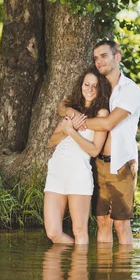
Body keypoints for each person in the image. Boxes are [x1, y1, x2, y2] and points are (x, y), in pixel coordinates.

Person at [60, 40, 140, 246]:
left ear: (117, 57)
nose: (99, 61)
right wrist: (72, 114)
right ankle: (102, 273)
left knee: (121, 224)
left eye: (103, 56)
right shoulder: (98, 88)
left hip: (122, 164)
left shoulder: (129, 90)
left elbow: (107, 123)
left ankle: (121, 276)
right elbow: (63, 106)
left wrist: (78, 123)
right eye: (96, 58)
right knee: (102, 221)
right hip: (97, 164)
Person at [44, 67, 111, 245]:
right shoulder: (71, 110)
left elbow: (95, 150)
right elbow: (52, 141)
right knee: (53, 232)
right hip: (56, 171)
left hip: (78, 173)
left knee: (79, 230)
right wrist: (67, 130)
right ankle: (72, 260)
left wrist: (72, 132)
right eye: (86, 84)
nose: (89, 89)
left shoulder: (101, 113)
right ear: (81, 85)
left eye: (94, 86)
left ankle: (79, 270)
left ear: (100, 89)